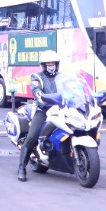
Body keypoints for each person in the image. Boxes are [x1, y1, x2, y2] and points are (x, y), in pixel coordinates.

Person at [18, 50, 61, 182]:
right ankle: (22, 168)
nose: (51, 65)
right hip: (43, 109)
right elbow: (36, 90)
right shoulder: (37, 77)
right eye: (48, 63)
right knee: (32, 136)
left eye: (53, 63)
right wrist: (40, 97)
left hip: (61, 109)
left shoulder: (62, 77)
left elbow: (71, 87)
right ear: (43, 65)